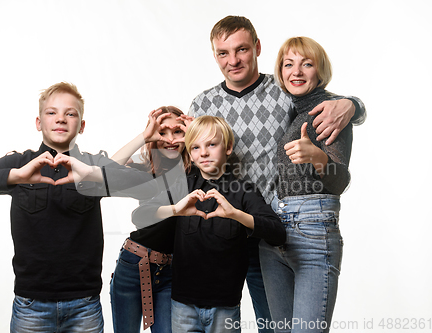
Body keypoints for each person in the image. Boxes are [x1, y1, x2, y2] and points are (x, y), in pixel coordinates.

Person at [188, 16, 366, 333]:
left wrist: (352, 104)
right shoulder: (203, 104)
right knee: (210, 323)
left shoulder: (284, 90)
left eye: (241, 49)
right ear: (214, 55)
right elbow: (192, 162)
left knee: (274, 326)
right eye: (223, 53)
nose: (233, 60)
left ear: (257, 47)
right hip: (223, 235)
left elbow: (328, 103)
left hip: (269, 229)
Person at [0, 82, 157, 333]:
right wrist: (16, 175)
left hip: (85, 306)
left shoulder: (91, 165)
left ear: (81, 125)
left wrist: (92, 174)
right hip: (31, 306)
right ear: (39, 122)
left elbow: (150, 187)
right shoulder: (20, 163)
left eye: (70, 113)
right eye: (52, 112)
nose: (61, 118)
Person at [132, 115, 286, 333]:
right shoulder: (182, 185)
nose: (203, 153)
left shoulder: (244, 190)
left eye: (211, 145)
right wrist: (176, 209)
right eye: (195, 147)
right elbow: (140, 215)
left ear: (228, 147)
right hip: (182, 306)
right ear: (191, 154)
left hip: (225, 308)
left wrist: (236, 215)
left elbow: (278, 233)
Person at [259, 37, 353, 333]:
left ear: (319, 71)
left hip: (312, 231)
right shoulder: (290, 109)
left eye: (307, 64)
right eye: (289, 64)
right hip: (273, 231)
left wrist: (318, 158)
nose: (296, 71)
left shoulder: (331, 111)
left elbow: (341, 181)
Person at [109, 106, 192, 332]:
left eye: (178, 132)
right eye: (163, 132)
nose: (170, 139)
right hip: (134, 264)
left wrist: (197, 135)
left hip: (170, 271)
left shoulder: (195, 169)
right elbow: (106, 169)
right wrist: (144, 136)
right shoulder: (146, 169)